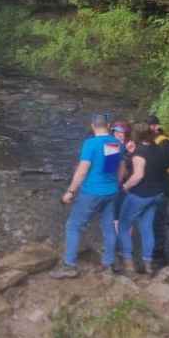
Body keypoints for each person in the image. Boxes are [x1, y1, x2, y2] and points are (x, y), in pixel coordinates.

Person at [51, 112, 126, 278]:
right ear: (107, 126)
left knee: (74, 225)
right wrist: (116, 184)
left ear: (93, 126)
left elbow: (82, 170)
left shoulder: (90, 144)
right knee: (108, 227)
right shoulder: (116, 143)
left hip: (92, 192)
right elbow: (121, 169)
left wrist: (70, 191)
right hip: (112, 192)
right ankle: (108, 264)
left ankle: (69, 265)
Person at [117, 123, 168, 274]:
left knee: (124, 226)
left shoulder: (140, 153)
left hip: (140, 195)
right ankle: (148, 264)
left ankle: (128, 262)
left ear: (136, 136)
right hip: (156, 195)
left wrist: (125, 186)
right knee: (147, 229)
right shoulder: (159, 149)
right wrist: (132, 153)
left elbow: (138, 175)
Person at [148, 113, 169, 264]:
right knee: (156, 221)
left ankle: (155, 252)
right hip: (160, 187)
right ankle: (155, 252)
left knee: (155, 221)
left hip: (156, 187)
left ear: (156, 127)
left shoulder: (167, 143)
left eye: (149, 125)